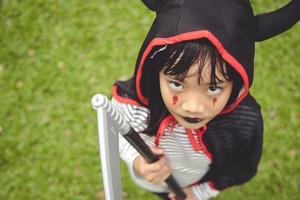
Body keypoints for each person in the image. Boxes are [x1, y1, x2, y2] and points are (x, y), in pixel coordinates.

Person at [111, 0, 300, 199]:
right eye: (176, 83)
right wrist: (136, 161)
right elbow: (114, 129)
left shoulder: (243, 123)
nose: (192, 107)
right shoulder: (135, 105)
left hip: (193, 186)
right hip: (156, 183)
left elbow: (240, 166)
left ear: (236, 84)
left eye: (213, 88)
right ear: (155, 70)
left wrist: (198, 192)